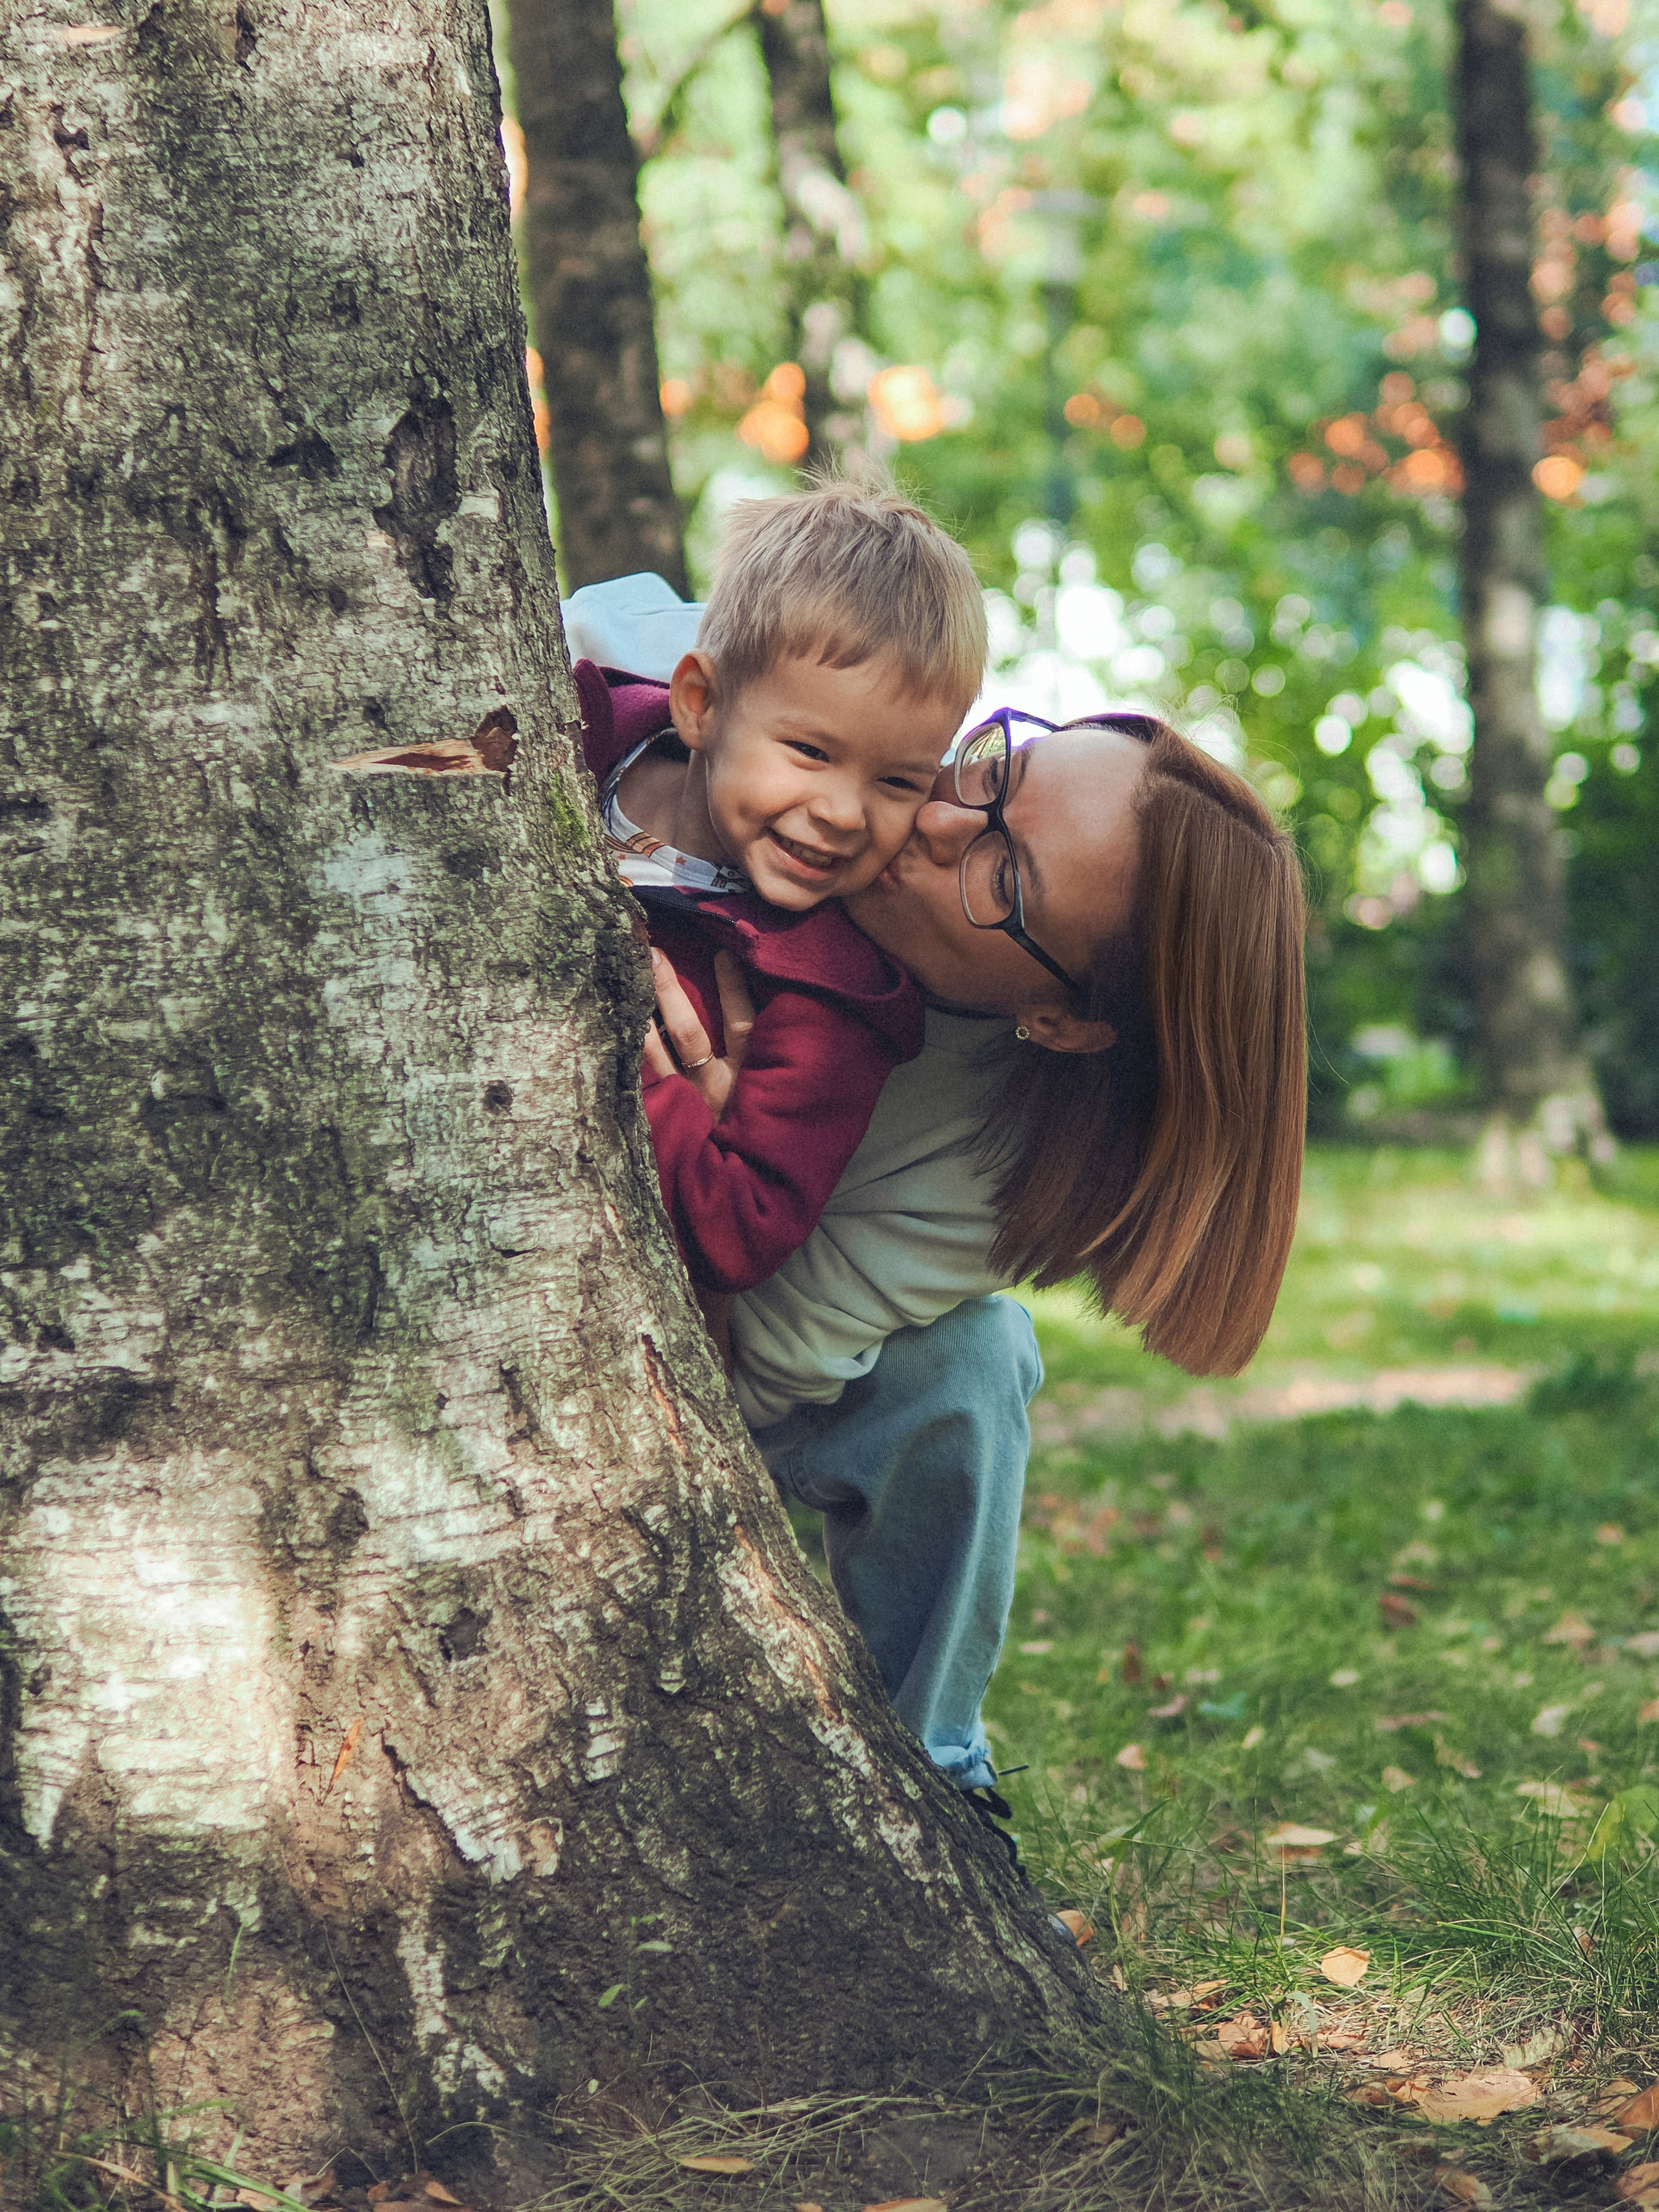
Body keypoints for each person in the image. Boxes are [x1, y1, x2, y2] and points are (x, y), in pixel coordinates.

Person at [575, 590, 1308, 1828]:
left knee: (973, 1358)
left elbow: (733, 1383)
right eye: (992, 770)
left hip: (714, 1332)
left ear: (1059, 1019)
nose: (927, 821)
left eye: (1002, 872)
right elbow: (616, 639)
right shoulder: (839, 738)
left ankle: (930, 1772)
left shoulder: (981, 1161)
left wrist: (706, 1121)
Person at [566, 480, 984, 1297]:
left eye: (898, 781)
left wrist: (646, 1084)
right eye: (811, 752)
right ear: (700, 704)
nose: (843, 812)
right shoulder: (575, 727)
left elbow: (737, 1232)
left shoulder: (827, 995)